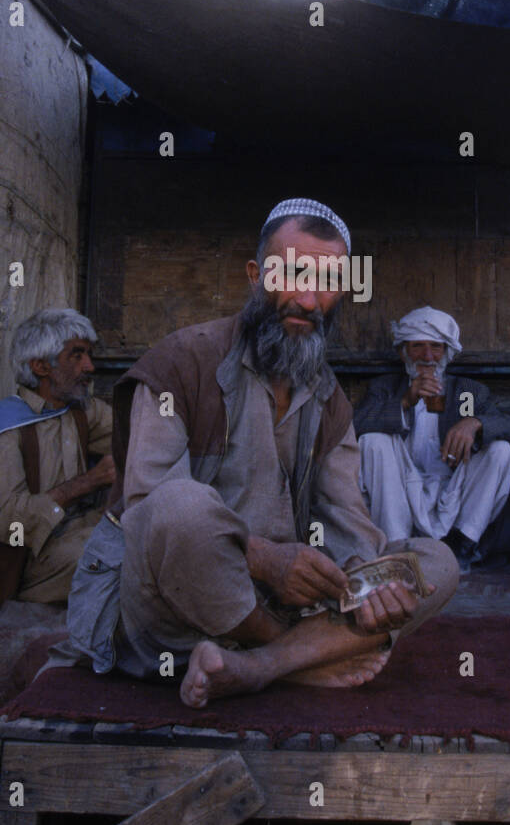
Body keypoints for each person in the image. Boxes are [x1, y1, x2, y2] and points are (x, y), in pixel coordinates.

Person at [109, 199, 459, 708]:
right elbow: (148, 512)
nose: (307, 299)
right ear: (256, 276)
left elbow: (347, 518)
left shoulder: (326, 393)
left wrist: (371, 582)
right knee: (179, 506)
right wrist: (266, 559)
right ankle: (300, 658)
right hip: (177, 606)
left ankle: (257, 666)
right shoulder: (182, 361)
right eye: (291, 274)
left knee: (435, 563)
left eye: (326, 280)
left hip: (286, 602)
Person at [0, 309, 114, 604]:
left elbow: (134, 434)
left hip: (81, 531)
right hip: (33, 560)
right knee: (111, 557)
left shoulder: (81, 411)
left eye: (88, 354)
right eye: (76, 355)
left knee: (147, 533)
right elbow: (11, 526)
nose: (89, 366)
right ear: (40, 366)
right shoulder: (7, 428)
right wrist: (86, 483)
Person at [354, 307, 510, 566]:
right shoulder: (384, 387)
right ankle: (397, 545)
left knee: (501, 450)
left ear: (447, 352)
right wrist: (405, 400)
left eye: (436, 346)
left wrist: (474, 423)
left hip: (452, 488)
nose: (427, 356)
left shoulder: (468, 390)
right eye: (417, 346)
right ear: (403, 352)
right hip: (400, 489)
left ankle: (460, 543)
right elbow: (356, 425)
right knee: (372, 440)